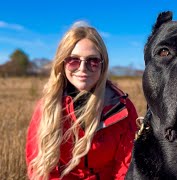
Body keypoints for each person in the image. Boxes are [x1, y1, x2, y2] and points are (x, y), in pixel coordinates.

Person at [25, 22, 138, 180]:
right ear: (62, 63)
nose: (83, 68)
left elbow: (126, 169)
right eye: (73, 60)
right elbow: (40, 170)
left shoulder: (123, 108)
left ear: (102, 65)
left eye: (93, 61)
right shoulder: (47, 107)